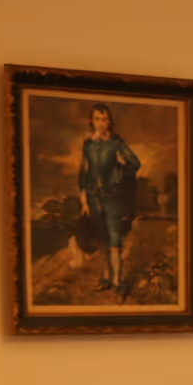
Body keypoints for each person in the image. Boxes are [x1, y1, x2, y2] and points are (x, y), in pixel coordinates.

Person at [78, 104, 141, 297]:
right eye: (97, 119)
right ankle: (106, 278)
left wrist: (118, 176)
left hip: (113, 198)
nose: (101, 123)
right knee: (101, 240)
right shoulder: (88, 144)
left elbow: (134, 163)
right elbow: (83, 173)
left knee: (114, 239)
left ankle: (117, 281)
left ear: (109, 122)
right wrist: (84, 200)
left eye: (104, 119)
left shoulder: (115, 142)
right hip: (93, 198)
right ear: (92, 121)